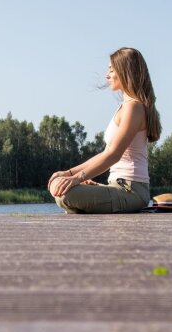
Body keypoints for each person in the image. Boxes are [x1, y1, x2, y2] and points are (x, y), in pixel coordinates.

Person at [48, 47, 161, 213]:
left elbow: (113, 154)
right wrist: (69, 173)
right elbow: (106, 152)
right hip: (118, 186)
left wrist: (77, 178)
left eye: (111, 70)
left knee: (64, 194)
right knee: (58, 183)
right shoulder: (126, 107)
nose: (107, 75)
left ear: (125, 72)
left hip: (132, 191)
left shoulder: (134, 108)